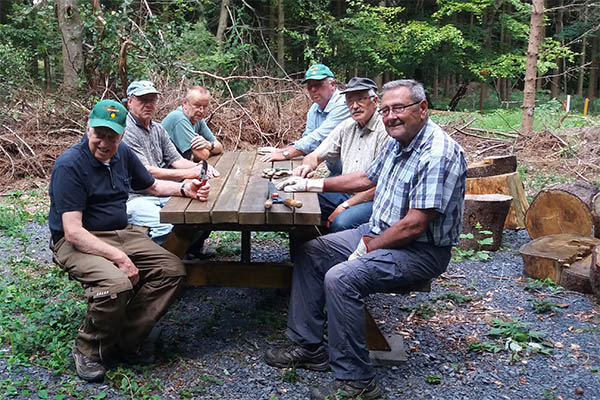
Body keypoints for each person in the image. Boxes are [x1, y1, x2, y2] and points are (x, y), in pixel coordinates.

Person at [265, 79, 467, 400]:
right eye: (386, 110)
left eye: (399, 108)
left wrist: (367, 247)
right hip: (378, 230)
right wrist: (311, 186)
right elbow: (364, 178)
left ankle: (357, 381)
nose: (390, 116)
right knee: (313, 251)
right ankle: (309, 346)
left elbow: (414, 226)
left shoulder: (438, 153)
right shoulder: (397, 142)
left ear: (423, 109)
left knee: (341, 278)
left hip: (419, 250)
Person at [49, 99, 210, 383]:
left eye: (111, 136)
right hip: (78, 240)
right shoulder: (70, 166)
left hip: (121, 233)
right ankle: (88, 348)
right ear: (88, 129)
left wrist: (186, 188)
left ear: (122, 135)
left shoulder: (123, 153)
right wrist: (120, 258)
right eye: (99, 133)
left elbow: (151, 185)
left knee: (172, 270)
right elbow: (72, 231)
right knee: (116, 284)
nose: (104, 142)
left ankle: (125, 338)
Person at [122, 80, 218, 259]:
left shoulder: (157, 128)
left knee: (205, 209)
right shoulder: (126, 131)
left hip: (160, 191)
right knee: (166, 224)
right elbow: (145, 172)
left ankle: (185, 251)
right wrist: (189, 173)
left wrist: (202, 167)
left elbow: (176, 160)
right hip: (134, 197)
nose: (148, 104)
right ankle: (154, 265)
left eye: (152, 100)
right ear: (130, 101)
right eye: (143, 100)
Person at [288, 77, 389, 232]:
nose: (355, 106)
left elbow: (381, 185)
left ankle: (341, 254)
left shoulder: (386, 131)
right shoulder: (346, 126)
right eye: (350, 100)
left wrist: (346, 205)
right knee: (302, 203)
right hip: (344, 192)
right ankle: (307, 254)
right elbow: (315, 155)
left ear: (375, 101)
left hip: (372, 199)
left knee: (342, 223)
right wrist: (306, 167)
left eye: (361, 99)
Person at [260, 64, 350, 176]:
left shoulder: (343, 105)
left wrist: (286, 153)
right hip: (336, 172)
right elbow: (308, 139)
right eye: (309, 86)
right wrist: (281, 150)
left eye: (318, 84)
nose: (313, 89)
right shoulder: (314, 108)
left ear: (332, 84)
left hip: (352, 176)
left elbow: (319, 137)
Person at [161, 85, 223, 161]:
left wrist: (209, 145)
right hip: (162, 167)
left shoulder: (197, 119)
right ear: (184, 103)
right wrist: (210, 150)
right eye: (197, 105)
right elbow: (203, 155)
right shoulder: (179, 119)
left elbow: (219, 146)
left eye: (205, 106)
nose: (201, 111)